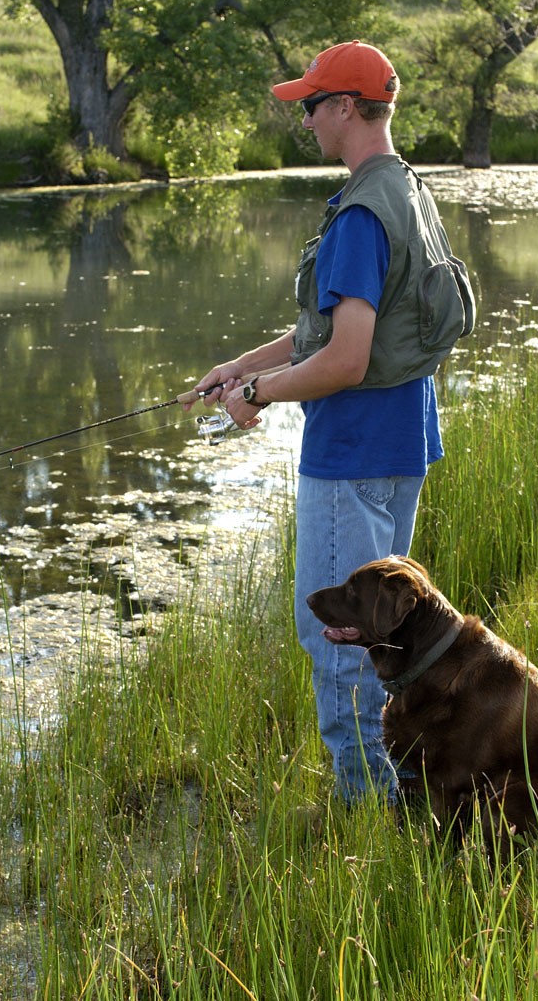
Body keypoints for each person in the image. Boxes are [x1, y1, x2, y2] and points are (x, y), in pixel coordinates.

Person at [181, 40, 474, 804]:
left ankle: (371, 821)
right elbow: (332, 328)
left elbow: (345, 359)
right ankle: (408, 794)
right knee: (379, 636)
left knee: (340, 643)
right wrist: (239, 367)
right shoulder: (405, 189)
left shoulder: (358, 216)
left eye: (311, 105)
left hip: (350, 454)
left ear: (346, 107)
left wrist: (262, 395)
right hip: (403, 441)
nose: (304, 119)